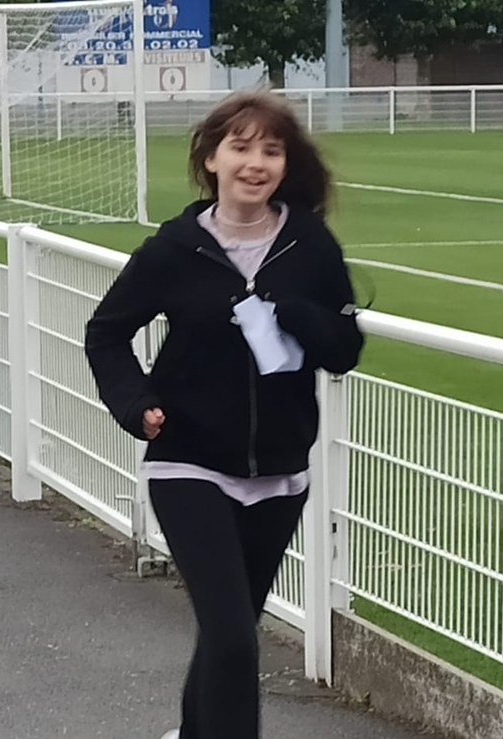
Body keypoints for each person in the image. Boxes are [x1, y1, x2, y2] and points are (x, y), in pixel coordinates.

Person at [83, 90, 364, 739]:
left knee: (226, 636)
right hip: (188, 463)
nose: (255, 163)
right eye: (240, 147)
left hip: (281, 473)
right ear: (211, 159)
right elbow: (106, 333)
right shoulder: (174, 250)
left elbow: (344, 351)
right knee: (235, 639)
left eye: (271, 150)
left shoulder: (311, 246)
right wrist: (135, 403)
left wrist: (298, 315)